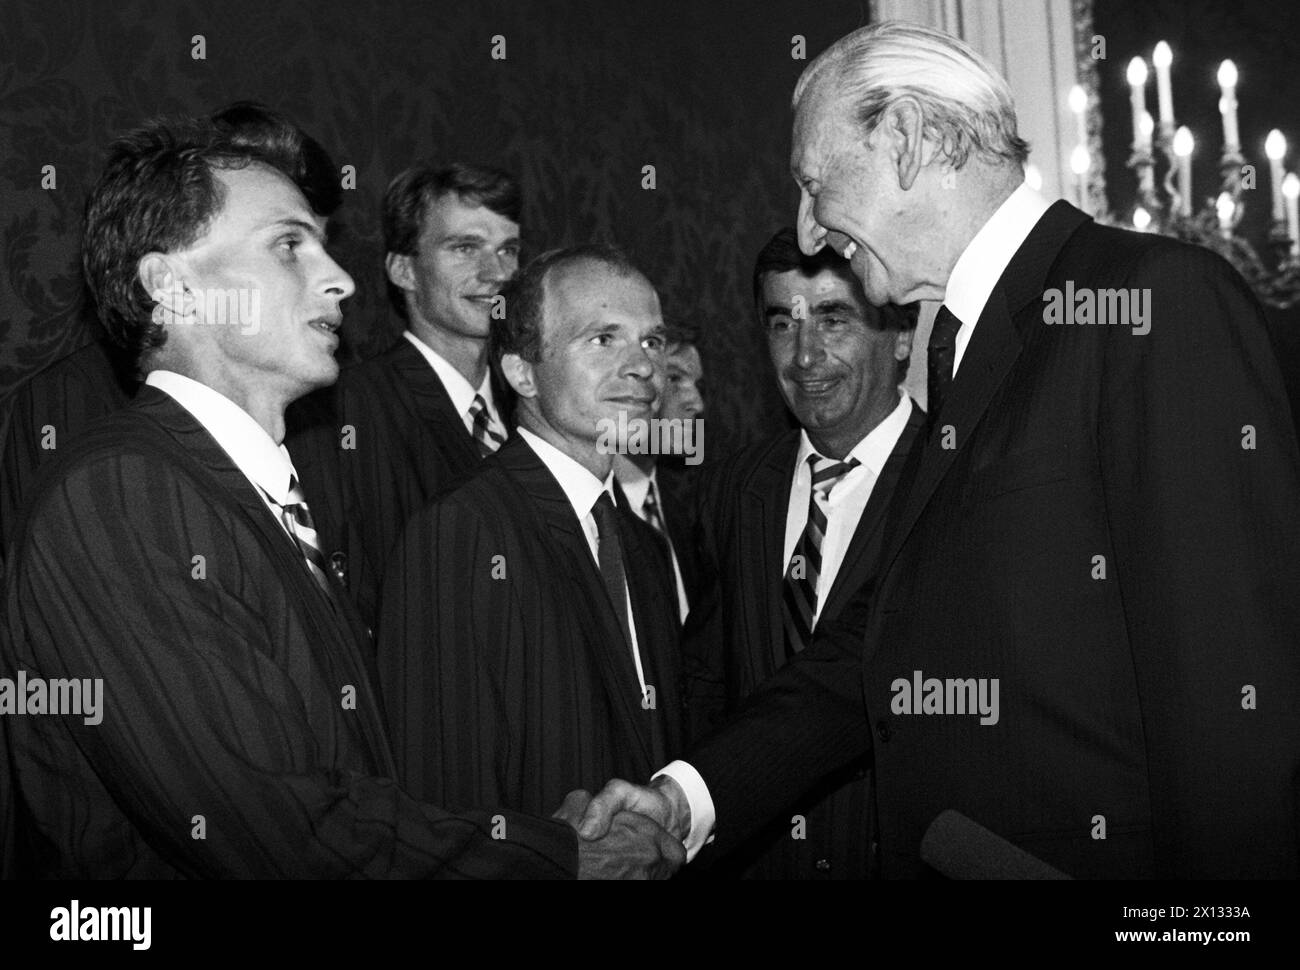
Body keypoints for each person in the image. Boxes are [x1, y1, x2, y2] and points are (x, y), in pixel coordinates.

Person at [579, 20, 1300, 879]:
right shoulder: (960, 350)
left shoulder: (1146, 302)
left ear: (912, 141)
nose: (809, 232)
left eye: (816, 185)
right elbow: (873, 642)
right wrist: (685, 796)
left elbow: (1234, 706)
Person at [0, 114, 679, 879]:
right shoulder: (122, 496)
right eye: (289, 245)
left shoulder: (246, 492)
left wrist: (523, 840)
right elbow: (278, 834)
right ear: (174, 287)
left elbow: (350, 791)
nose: (341, 279)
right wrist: (555, 858)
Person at [377, 245, 686, 820]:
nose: (644, 366)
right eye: (603, 339)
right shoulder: (462, 533)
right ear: (522, 372)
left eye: (652, 341)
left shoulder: (640, 546)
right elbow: (445, 793)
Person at [0, 102, 341, 567]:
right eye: (285, 246)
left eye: (319, 242)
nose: (334, 279)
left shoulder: (325, 410)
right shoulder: (69, 416)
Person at [684, 227, 922, 878]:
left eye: (833, 318)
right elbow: (708, 688)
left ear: (902, 336)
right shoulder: (731, 489)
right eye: (783, 324)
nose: (805, 356)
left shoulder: (956, 484)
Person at [287, 163, 520, 628]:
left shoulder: (536, 406)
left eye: (508, 250)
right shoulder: (345, 408)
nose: (496, 272)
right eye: (466, 248)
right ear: (403, 270)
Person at [612, 325, 704, 620]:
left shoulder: (691, 516)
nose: (697, 404)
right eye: (675, 378)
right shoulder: (590, 518)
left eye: (698, 384)